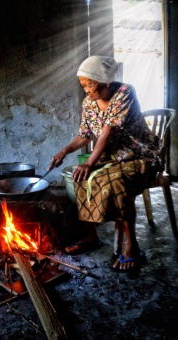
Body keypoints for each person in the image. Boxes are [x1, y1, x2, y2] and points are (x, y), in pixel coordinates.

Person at [49, 55, 163, 271]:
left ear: (106, 83)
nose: (86, 91)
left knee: (117, 182)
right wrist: (64, 151)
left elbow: (107, 132)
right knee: (79, 178)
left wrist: (90, 162)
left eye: (89, 85)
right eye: (83, 86)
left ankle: (132, 247)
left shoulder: (124, 92)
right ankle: (91, 237)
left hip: (138, 156)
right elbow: (85, 134)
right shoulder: (89, 102)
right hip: (111, 157)